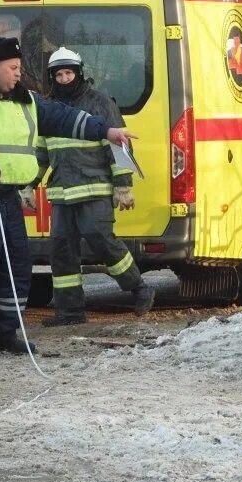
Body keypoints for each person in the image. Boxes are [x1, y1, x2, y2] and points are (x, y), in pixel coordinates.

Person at [0, 37, 134, 357]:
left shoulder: (27, 102)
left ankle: (5, 330)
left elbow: (64, 117)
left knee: (16, 264)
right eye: (13, 68)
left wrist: (107, 131)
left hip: (9, 198)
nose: (19, 73)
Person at [39, 47, 154, 326]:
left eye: (69, 73)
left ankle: (140, 288)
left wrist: (123, 186)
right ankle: (70, 312)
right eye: (59, 75)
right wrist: (27, 184)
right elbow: (41, 151)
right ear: (52, 77)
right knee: (62, 250)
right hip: (63, 192)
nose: (64, 79)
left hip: (95, 188)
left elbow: (119, 146)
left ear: (79, 74)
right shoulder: (48, 107)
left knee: (100, 239)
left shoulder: (101, 103)